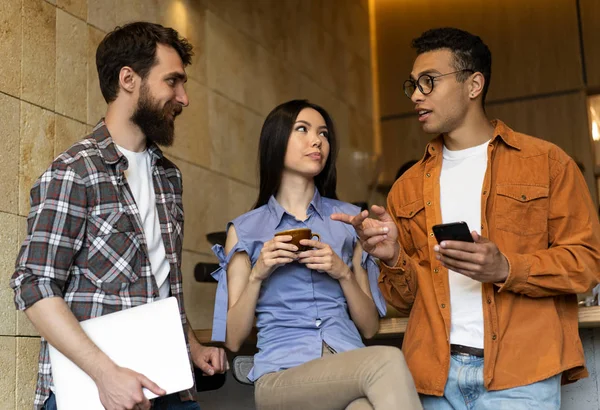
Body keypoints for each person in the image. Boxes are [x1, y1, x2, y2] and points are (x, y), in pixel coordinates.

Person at [332, 27, 600, 409]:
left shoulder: (548, 163)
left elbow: (587, 264)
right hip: (434, 377)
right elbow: (405, 300)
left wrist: (506, 268)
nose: (417, 95)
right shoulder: (404, 190)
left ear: (474, 85)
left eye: (429, 82)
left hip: (521, 374)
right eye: (412, 85)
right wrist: (391, 257)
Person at [11, 22, 227, 410]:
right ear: (128, 79)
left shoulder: (169, 177)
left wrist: (192, 346)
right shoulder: (74, 171)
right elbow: (34, 285)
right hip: (94, 394)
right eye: (173, 81)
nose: (184, 98)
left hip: (169, 386)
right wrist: (106, 375)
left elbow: (158, 281)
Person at [210, 100, 422, 410]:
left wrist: (342, 272)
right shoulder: (246, 230)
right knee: (387, 360)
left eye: (323, 133)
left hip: (347, 364)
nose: (317, 140)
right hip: (283, 374)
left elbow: (368, 328)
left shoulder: (349, 222)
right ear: (276, 141)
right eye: (303, 130)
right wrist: (259, 273)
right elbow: (233, 339)